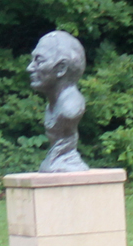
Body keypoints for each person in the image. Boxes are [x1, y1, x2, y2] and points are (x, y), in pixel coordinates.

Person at [27, 30, 89, 172]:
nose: (30, 68)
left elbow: (68, 114)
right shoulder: (53, 104)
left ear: (61, 68)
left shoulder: (70, 109)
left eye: (39, 61)